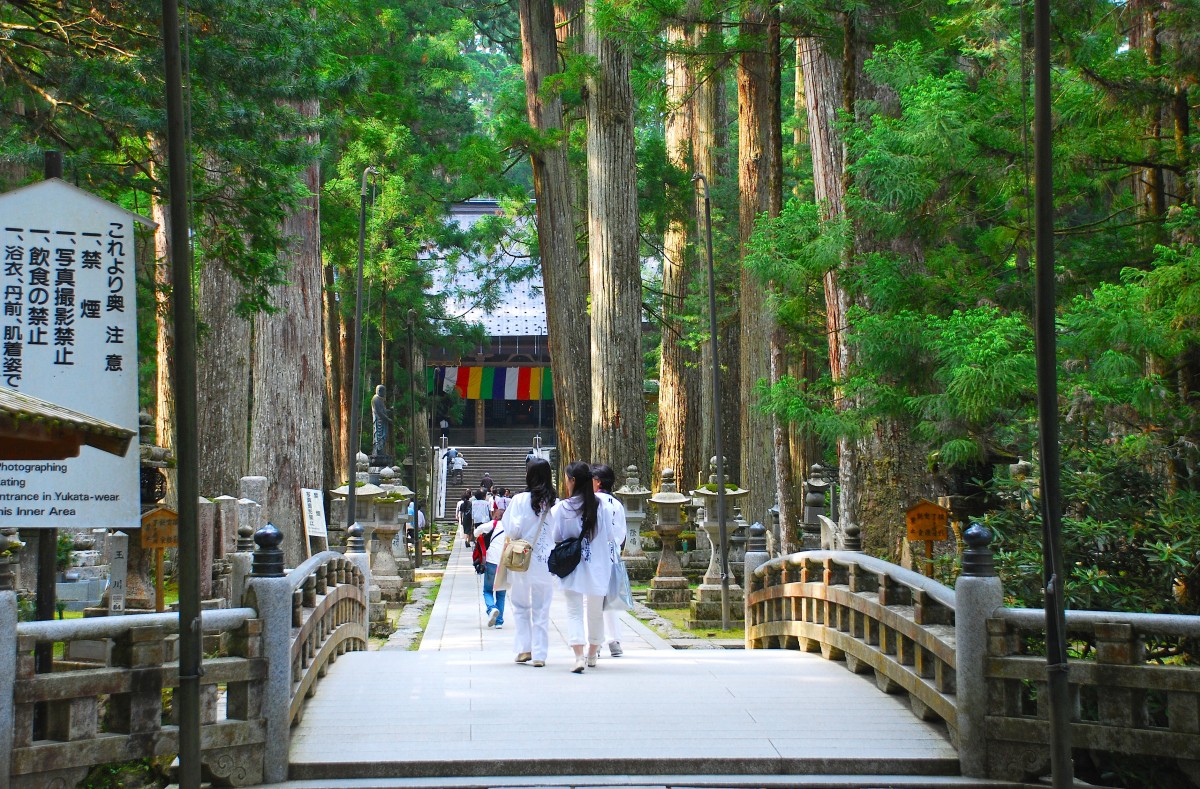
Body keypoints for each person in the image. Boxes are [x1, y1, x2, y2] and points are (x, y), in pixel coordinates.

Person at [550, 461, 621, 673]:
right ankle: (592, 653)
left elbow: (557, 537)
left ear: (572, 480)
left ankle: (578, 656)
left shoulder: (562, 508)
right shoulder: (603, 507)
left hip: (573, 565)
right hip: (599, 566)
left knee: (574, 611)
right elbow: (610, 535)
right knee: (595, 612)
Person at [500, 460, 557, 667]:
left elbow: (512, 530)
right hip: (546, 561)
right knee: (542, 608)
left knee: (521, 605)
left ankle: (525, 648)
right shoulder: (555, 502)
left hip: (522, 560)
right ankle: (540, 654)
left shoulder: (518, 500)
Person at [592, 463, 627, 657]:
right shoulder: (617, 504)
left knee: (591, 600)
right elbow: (621, 534)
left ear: (597, 482)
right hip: (612, 555)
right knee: (610, 600)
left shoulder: (592, 500)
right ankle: (614, 641)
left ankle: (594, 642)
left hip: (594, 556)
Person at [474, 509, 508, 629]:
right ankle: (499, 621)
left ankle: (492, 608)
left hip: (492, 560)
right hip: (505, 562)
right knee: (501, 592)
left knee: (488, 590)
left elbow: (477, 531)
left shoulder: (494, 524)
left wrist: (479, 535)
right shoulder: (512, 526)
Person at [370, 385, 391, 457]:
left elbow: (383, 410)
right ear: (379, 391)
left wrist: (389, 411)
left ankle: (381, 451)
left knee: (383, 436)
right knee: (379, 436)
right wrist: (387, 419)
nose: (384, 394)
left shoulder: (380, 399)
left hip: (382, 421)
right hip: (379, 421)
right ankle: (378, 451)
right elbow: (379, 412)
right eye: (383, 392)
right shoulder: (375, 399)